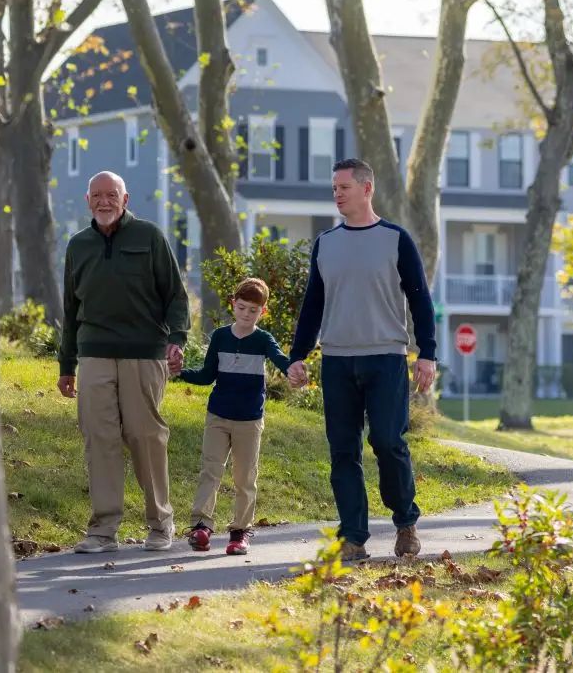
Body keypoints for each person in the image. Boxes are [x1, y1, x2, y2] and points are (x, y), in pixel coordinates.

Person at [287, 158, 437, 561]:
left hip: (386, 357)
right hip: (337, 360)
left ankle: (405, 521)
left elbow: (420, 299)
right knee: (343, 450)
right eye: (334, 188)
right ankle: (353, 537)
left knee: (388, 442)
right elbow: (312, 305)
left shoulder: (395, 239)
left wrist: (428, 353)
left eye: (344, 187)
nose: (337, 194)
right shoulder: (326, 243)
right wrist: (297, 355)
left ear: (367, 188)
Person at [57, 171, 188, 553]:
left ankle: (160, 524)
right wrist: (66, 365)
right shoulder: (78, 245)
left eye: (111, 195)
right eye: (97, 195)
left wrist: (177, 340)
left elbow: (176, 296)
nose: (104, 201)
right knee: (99, 439)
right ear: (88, 201)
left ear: (125, 199)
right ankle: (103, 530)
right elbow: (70, 310)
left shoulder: (149, 237)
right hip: (93, 353)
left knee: (145, 437)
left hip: (143, 353)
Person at [170, 277, 290, 556]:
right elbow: (207, 375)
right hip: (218, 416)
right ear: (233, 304)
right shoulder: (220, 337)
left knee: (245, 476)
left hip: (249, 420)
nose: (246, 314)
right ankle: (201, 526)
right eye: (242, 307)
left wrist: (293, 370)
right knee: (210, 470)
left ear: (263, 311)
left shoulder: (263, 340)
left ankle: (240, 531)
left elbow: (280, 359)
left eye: (253, 310)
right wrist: (180, 373)